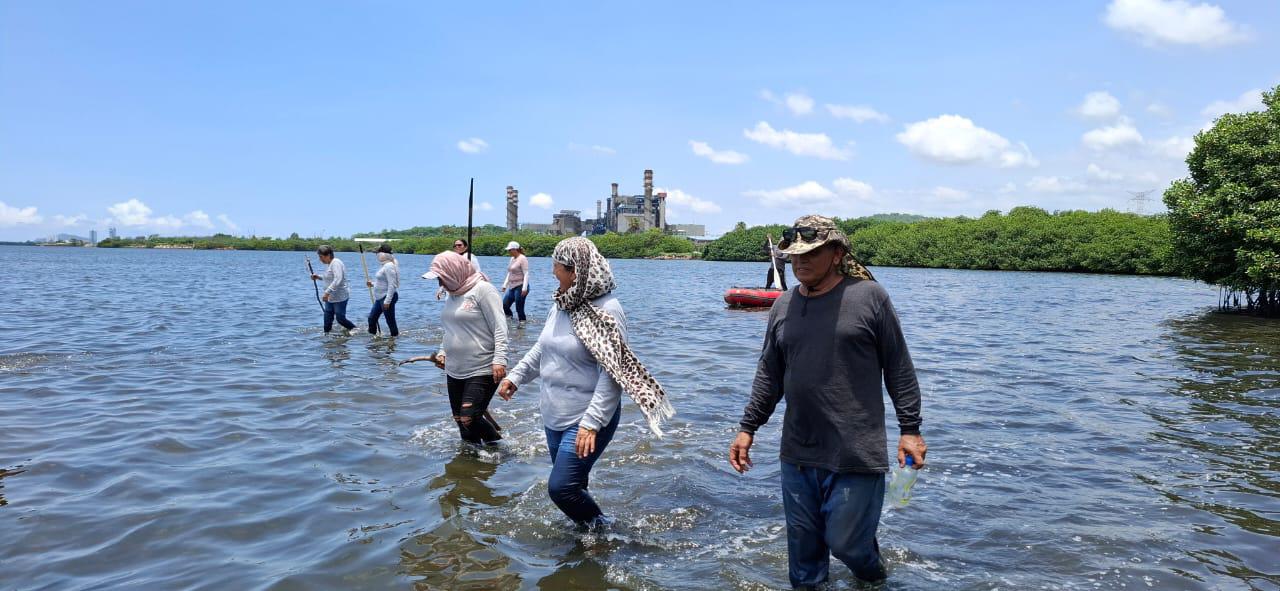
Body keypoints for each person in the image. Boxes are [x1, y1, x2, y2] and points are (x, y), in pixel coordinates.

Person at [728, 215, 926, 588]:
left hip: (855, 452)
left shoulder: (869, 297)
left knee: (848, 545)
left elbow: (898, 366)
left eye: (811, 253)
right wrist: (747, 428)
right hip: (798, 453)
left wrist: (910, 430)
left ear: (837, 253)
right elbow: (769, 374)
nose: (799, 261)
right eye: (794, 255)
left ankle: (874, 577)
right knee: (804, 563)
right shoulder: (783, 305)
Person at [498, 237, 674, 527]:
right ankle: (586, 542)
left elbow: (612, 372)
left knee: (561, 488)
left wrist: (591, 423)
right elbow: (543, 347)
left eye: (557, 267)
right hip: (554, 413)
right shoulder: (563, 302)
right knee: (574, 484)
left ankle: (605, 531)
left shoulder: (607, 309)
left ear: (576, 271)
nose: (553, 272)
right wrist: (516, 377)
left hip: (587, 416)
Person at [424, 250, 507, 444]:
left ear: (453, 272)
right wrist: (443, 352)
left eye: (441, 278)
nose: (440, 284)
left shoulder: (483, 290)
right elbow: (450, 329)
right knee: (460, 421)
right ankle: (470, 467)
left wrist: (500, 359)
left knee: (470, 418)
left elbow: (500, 327)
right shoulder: (452, 294)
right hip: (455, 368)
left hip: (482, 366)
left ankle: (499, 449)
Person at [311, 245, 357, 335]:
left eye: (321, 257)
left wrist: (327, 292)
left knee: (340, 319)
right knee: (327, 320)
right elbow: (329, 277)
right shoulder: (330, 264)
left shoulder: (336, 263)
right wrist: (318, 277)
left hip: (340, 297)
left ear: (328, 255)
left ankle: (355, 329)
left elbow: (338, 279)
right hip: (330, 297)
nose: (320, 259)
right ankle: (327, 340)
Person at [365, 244, 400, 336]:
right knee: (371, 318)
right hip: (380, 297)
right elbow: (383, 282)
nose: (377, 255)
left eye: (378, 252)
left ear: (383, 254)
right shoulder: (385, 265)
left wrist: (387, 301)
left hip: (387, 298)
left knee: (390, 322)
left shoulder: (389, 266)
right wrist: (372, 284)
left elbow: (392, 285)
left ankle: (394, 342)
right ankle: (373, 339)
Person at [500, 241, 530, 328]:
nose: (508, 252)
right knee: (504, 305)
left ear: (515, 249)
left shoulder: (522, 258)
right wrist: (505, 284)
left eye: (510, 250)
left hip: (521, 286)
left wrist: (524, 288)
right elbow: (510, 272)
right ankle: (509, 319)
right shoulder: (512, 259)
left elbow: (526, 273)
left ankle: (522, 323)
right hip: (512, 286)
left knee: (519, 307)